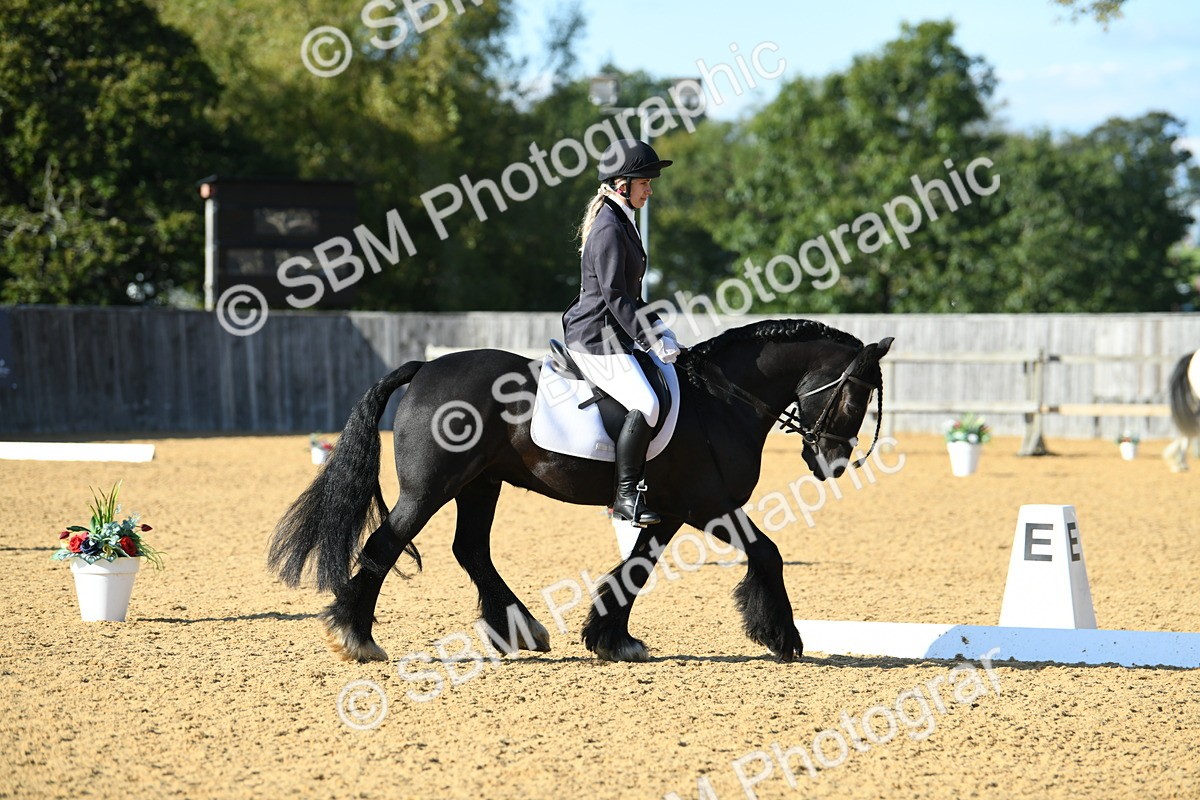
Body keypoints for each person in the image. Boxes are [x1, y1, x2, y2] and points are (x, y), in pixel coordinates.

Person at [561, 139, 681, 526]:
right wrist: (649, 340)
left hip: (612, 335)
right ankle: (625, 497)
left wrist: (660, 327)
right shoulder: (610, 227)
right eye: (645, 182)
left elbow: (633, 295)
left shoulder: (620, 222)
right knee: (646, 404)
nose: (650, 188)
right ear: (621, 184)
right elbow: (615, 296)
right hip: (596, 339)